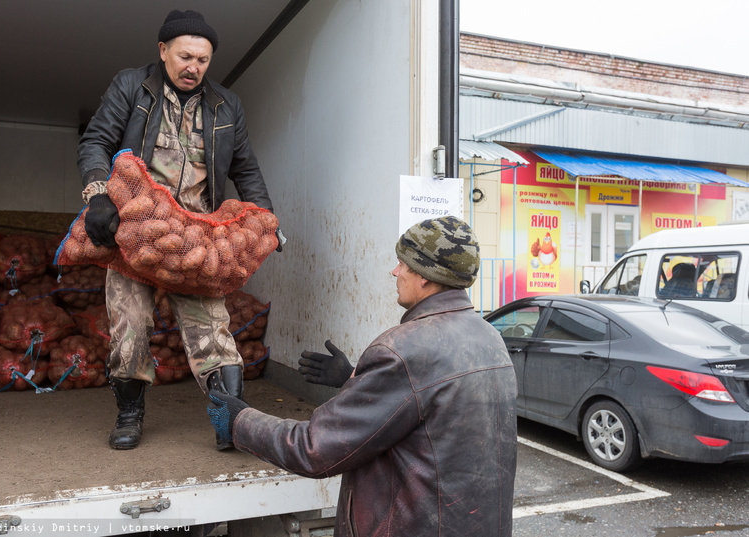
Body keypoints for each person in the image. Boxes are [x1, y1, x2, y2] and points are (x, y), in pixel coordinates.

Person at [208, 216, 517, 537]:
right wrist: (354, 377)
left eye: (403, 264)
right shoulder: (490, 339)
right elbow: (437, 413)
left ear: (426, 277)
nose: (395, 272)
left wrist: (238, 422)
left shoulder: (403, 348)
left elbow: (315, 449)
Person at [77, 9, 282, 450]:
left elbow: (247, 171)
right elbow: (96, 140)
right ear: (163, 51)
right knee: (129, 326)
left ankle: (231, 424)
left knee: (213, 332)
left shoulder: (227, 105)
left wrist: (266, 222)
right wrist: (97, 194)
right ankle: (130, 414)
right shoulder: (132, 86)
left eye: (203, 60)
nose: (194, 67)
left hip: (194, 237)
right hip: (135, 232)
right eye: (186, 56)